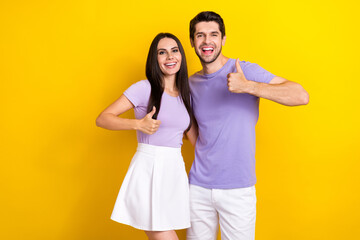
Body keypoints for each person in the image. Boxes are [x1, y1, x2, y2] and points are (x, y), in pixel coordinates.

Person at [186, 11, 309, 240]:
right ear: (192, 41)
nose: (207, 41)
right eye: (200, 35)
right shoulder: (191, 83)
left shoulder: (244, 71)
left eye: (213, 35)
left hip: (238, 189)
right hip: (198, 188)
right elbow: (191, 127)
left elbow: (301, 96)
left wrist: (249, 87)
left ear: (223, 39)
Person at [96, 33, 196, 240]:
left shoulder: (186, 94)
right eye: (162, 52)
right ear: (155, 59)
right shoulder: (144, 88)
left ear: (181, 56)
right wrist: (138, 124)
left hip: (174, 170)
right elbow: (103, 118)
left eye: (174, 50)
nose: (170, 57)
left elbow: (196, 140)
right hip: (151, 169)